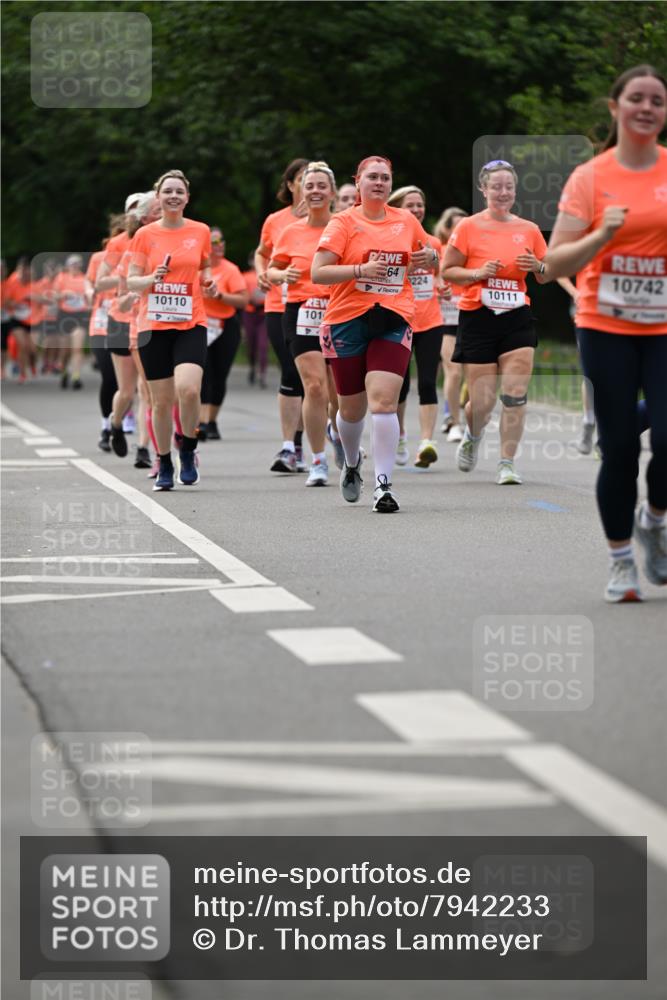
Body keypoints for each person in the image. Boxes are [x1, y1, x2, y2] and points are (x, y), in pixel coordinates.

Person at [545, 64, 667, 602]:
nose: (647, 107)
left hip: (664, 326)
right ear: (615, 107)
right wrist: (601, 235)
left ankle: (654, 519)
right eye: (636, 98)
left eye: (657, 101)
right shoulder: (590, 178)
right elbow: (551, 264)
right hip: (605, 324)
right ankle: (621, 562)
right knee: (619, 447)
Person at [311, 155, 437, 512]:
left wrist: (428, 259)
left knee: (383, 400)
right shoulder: (343, 222)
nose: (379, 183)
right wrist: (361, 269)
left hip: (395, 315)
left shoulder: (406, 220)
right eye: (372, 178)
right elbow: (318, 272)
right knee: (351, 410)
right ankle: (352, 462)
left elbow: (422, 256)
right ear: (359, 183)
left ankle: (384, 485)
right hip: (347, 318)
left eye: (385, 178)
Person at [442, 160, 549, 485]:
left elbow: (547, 274)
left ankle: (507, 462)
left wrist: (538, 266)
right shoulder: (469, 227)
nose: (503, 193)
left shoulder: (529, 229)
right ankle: (473, 436)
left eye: (508, 187)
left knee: (515, 393)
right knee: (483, 400)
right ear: (484, 189)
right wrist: (476, 273)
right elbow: (448, 270)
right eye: (496, 187)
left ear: (515, 190)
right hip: (478, 317)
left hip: (516, 316)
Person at [127, 169, 216, 491]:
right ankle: (164, 460)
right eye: (168, 192)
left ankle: (188, 448)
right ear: (159, 197)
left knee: (190, 389)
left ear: (187, 197)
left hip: (191, 321)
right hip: (153, 325)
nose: (174, 196)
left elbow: (204, 267)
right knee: (161, 401)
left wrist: (208, 281)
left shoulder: (200, 231)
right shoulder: (145, 235)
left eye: (179, 191)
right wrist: (153, 279)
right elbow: (131, 280)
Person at [269, 161, 336, 486]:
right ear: (300, 191)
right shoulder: (290, 231)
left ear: (333, 192)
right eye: (309, 185)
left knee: (340, 392)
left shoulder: (345, 226)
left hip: (341, 312)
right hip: (302, 312)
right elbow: (271, 269)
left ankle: (340, 436)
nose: (315, 191)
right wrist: (282, 275)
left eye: (322, 185)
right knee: (314, 385)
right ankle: (318, 460)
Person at [387, 185, 447, 468]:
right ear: (398, 208)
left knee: (427, 382)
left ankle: (426, 442)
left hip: (431, 320)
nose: (416, 210)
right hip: (401, 318)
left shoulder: (433, 243)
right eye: (410, 205)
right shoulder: (391, 241)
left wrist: (441, 283)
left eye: (420, 205)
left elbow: (440, 275)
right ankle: (399, 435)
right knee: (400, 386)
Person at [254, 158, 308, 472]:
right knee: (291, 371)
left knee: (316, 380)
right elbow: (262, 254)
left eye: (316, 180)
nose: (310, 185)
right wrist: (264, 273)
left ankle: (325, 436)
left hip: (322, 305)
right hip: (280, 304)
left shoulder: (336, 221)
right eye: (303, 179)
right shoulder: (276, 220)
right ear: (290, 185)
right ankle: (290, 446)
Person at [199, 226, 249, 440]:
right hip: (200, 325)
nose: (219, 246)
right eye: (214, 242)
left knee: (220, 375)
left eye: (221, 242)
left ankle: (212, 421)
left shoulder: (231, 269)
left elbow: (243, 300)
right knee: (203, 374)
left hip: (225, 325)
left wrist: (220, 296)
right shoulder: (196, 269)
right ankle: (200, 422)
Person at [434, 207, 468, 441]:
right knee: (453, 371)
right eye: (457, 226)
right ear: (446, 230)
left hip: (469, 317)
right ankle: (454, 422)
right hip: (445, 320)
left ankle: (453, 409)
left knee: (471, 374)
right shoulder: (440, 252)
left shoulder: (474, 254)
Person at [51, 254, 90, 389]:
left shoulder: (85, 279)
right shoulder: (61, 277)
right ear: (68, 266)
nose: (75, 267)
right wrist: (64, 294)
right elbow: (54, 296)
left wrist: (89, 301)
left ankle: (76, 377)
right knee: (65, 349)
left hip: (80, 314)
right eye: (73, 264)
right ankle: (64, 372)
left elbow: (91, 297)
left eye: (78, 264)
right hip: (65, 315)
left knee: (77, 348)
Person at [241, 253, 268, 387]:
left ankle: (262, 374)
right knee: (251, 345)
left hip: (264, 314)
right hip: (250, 313)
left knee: (263, 345)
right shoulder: (246, 277)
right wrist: (251, 299)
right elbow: (242, 294)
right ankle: (252, 366)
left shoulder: (268, 276)